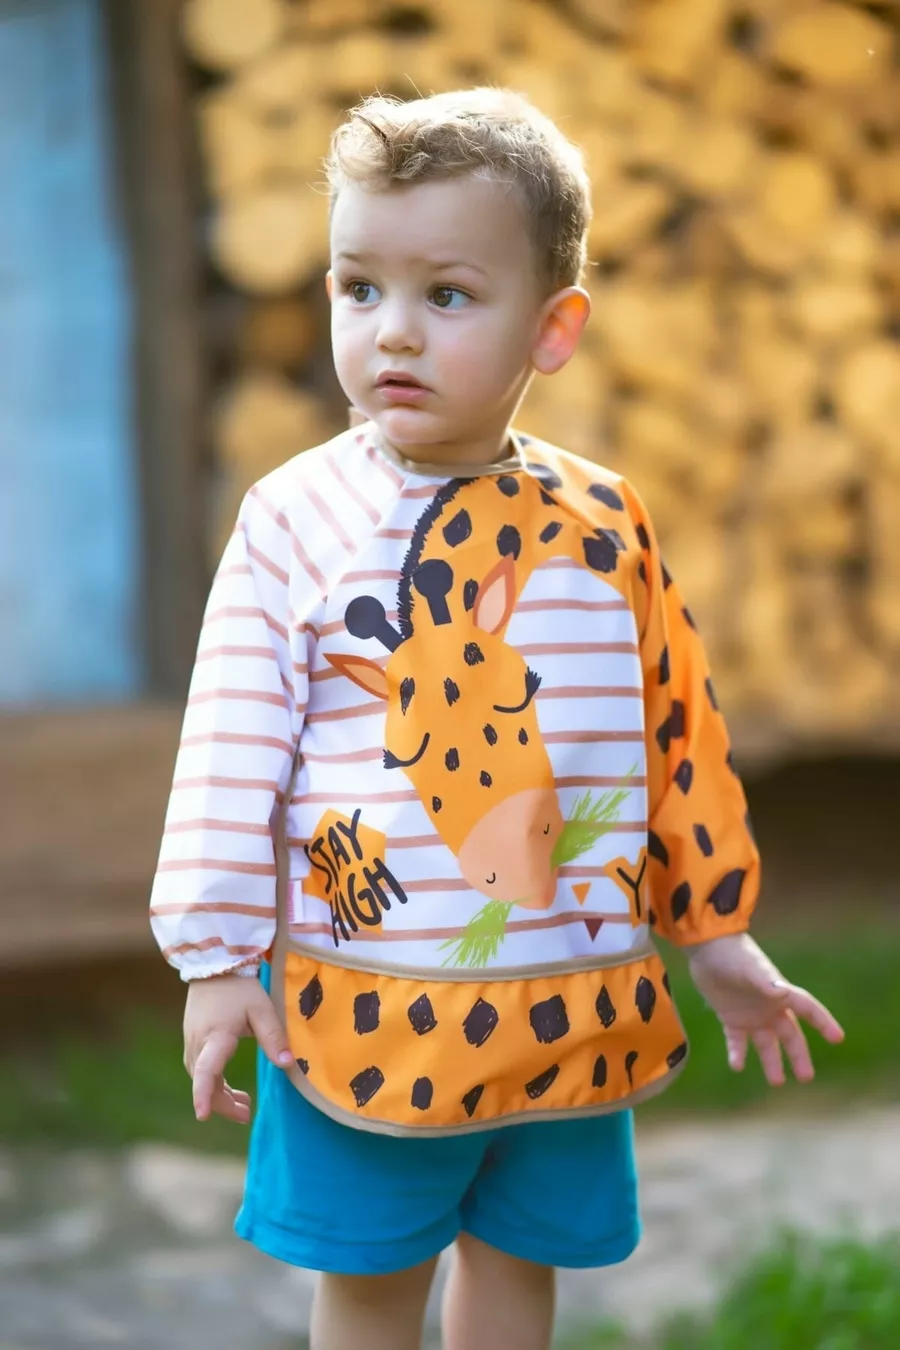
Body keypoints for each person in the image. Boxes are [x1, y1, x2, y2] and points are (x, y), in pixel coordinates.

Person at [149, 88, 844, 1350]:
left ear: (552, 327)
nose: (393, 332)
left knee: (521, 1261)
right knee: (372, 1281)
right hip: (366, 1008)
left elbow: (675, 730)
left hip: (572, 998)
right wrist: (214, 959)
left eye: (449, 295)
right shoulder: (296, 517)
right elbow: (229, 748)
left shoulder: (605, 523)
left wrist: (715, 929)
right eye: (359, 287)